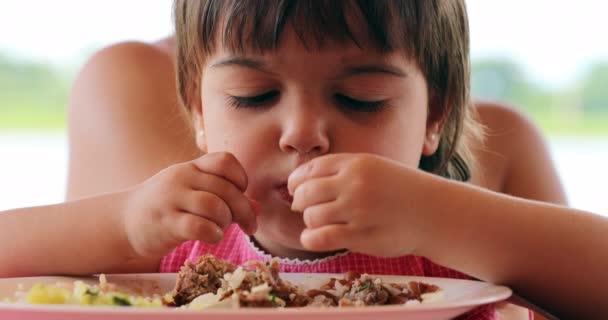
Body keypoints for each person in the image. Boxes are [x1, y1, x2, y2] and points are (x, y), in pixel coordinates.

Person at [0, 1, 603, 318]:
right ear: (199, 110)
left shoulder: (456, 245)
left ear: (434, 116)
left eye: (359, 100)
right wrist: (122, 222)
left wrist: (442, 216)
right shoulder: (184, 246)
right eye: (254, 97)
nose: (303, 133)